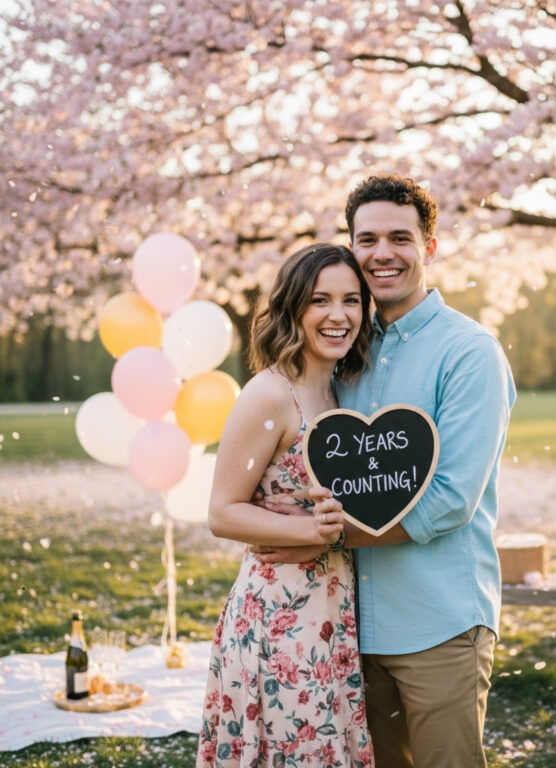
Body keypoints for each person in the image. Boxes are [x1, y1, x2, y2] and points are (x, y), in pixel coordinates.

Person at [258, 174, 516, 768]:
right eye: (366, 239)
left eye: (399, 237)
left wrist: (317, 539)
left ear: (429, 246)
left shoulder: (470, 353)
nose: (381, 254)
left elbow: (450, 500)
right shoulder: (343, 347)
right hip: (346, 626)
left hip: (438, 624)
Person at [196, 243, 376, 768]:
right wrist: (314, 534)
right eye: (320, 300)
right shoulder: (270, 394)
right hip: (278, 620)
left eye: (351, 300)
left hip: (331, 613)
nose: (338, 315)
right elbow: (222, 512)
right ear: (294, 307)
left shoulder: (344, 394)